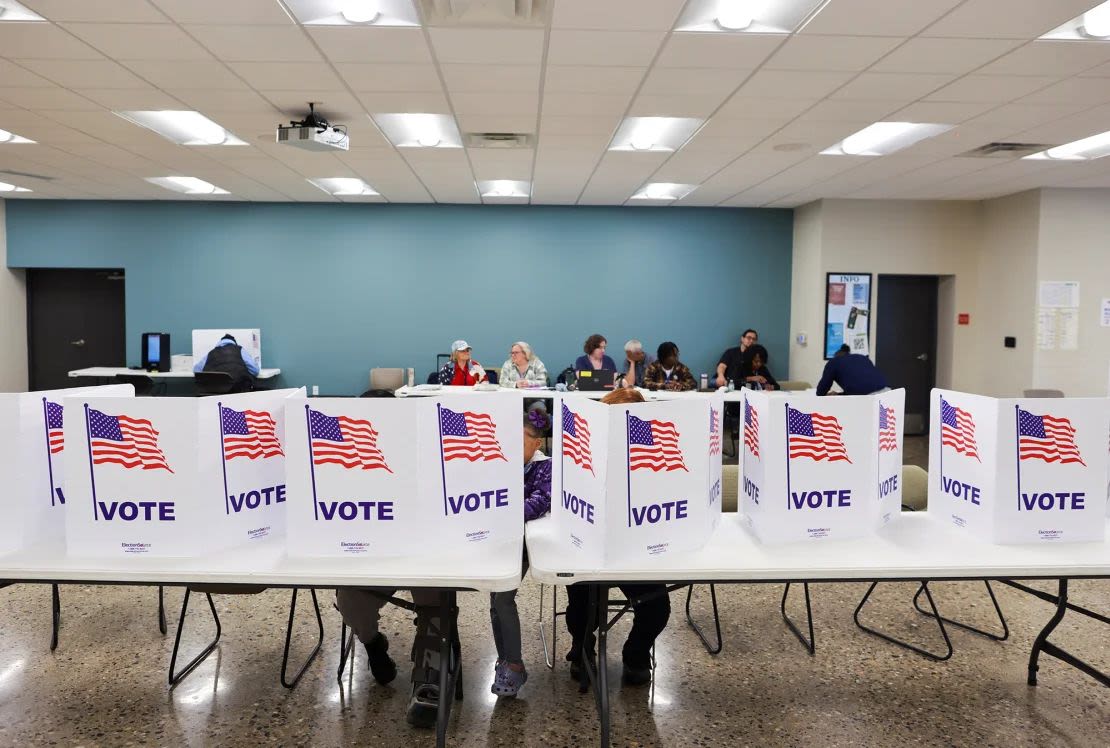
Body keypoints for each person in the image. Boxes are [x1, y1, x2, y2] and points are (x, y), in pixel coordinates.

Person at [333, 390, 448, 729]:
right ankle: (373, 644)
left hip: (419, 555)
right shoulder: (340, 463)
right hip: (368, 556)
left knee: (435, 602)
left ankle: (427, 678)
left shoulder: (423, 455)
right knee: (350, 599)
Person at [564, 387, 671, 686]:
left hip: (636, 546)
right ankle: (582, 647)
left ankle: (635, 655)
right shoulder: (581, 451)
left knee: (657, 607)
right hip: (588, 544)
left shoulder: (653, 458)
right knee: (582, 606)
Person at [488, 409, 552, 697]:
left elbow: (539, 502)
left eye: (521, 439)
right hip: (499, 539)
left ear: (537, 444)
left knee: (503, 599)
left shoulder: (545, 467)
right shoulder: (501, 461)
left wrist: (500, 514)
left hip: (525, 542)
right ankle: (504, 659)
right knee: (495, 600)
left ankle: (514, 665)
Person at [193, 333, 259, 392]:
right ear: (234, 343)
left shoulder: (211, 353)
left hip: (212, 391)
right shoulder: (240, 350)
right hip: (237, 390)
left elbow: (196, 371)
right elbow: (255, 370)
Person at [817, 344, 889, 396]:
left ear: (835, 356)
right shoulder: (862, 357)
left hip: (868, 397)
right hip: (887, 391)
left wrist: (822, 394)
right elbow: (862, 385)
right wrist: (839, 394)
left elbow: (822, 389)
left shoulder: (833, 362)